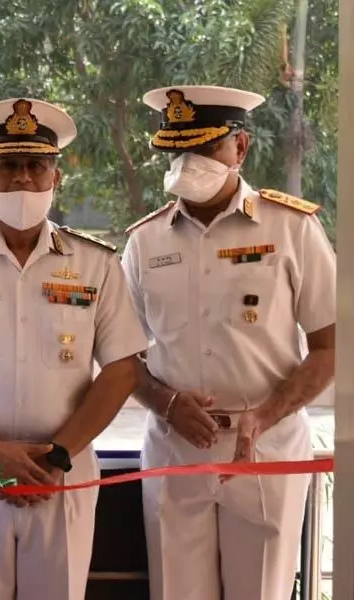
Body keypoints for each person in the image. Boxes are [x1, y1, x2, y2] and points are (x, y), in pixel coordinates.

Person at [122, 85, 336, 600]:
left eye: (203, 148)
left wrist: (266, 414)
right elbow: (121, 358)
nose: (188, 163)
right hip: (175, 448)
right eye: (178, 151)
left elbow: (333, 344)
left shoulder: (292, 228)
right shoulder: (144, 242)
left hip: (267, 446)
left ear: (239, 148)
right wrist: (167, 402)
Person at [0, 98, 147, 600]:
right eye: (7, 166)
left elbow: (121, 370)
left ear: (57, 179)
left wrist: (57, 456)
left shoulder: (96, 265)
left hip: (63, 473)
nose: (23, 180)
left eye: (36, 166)